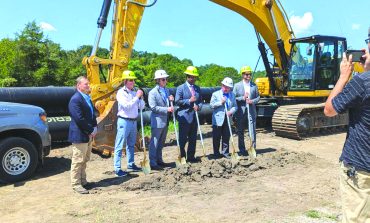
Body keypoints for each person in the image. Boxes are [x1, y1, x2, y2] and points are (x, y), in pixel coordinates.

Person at [324, 30, 370, 223]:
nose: (364, 49)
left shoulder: (361, 83)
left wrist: (344, 76)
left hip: (360, 170)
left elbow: (329, 110)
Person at [68, 76, 97, 194]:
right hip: (80, 135)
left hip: (88, 134)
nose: (88, 86)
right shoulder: (75, 99)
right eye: (86, 84)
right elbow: (79, 119)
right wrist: (91, 129)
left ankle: (83, 181)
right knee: (78, 160)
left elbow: (92, 114)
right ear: (78, 86)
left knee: (85, 159)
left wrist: (95, 126)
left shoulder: (87, 98)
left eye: (88, 84)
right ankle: (76, 184)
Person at [113, 70, 145, 176]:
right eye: (130, 80)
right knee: (119, 145)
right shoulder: (121, 93)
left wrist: (140, 98)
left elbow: (141, 107)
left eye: (133, 80)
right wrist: (136, 97)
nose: (133, 82)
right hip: (124, 121)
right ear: (125, 81)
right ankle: (117, 168)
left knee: (131, 144)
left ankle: (130, 164)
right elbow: (127, 106)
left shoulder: (133, 92)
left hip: (133, 121)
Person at [175, 66, 203, 162]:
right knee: (182, 139)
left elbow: (201, 102)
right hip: (184, 117)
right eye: (191, 77)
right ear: (187, 77)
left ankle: (191, 157)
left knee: (193, 138)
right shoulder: (180, 88)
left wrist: (198, 106)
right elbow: (177, 101)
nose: (193, 79)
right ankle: (182, 157)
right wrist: (189, 101)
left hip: (194, 117)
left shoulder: (197, 88)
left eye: (194, 77)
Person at [148, 70, 174, 170]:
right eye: (163, 79)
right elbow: (153, 107)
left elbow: (167, 103)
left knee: (161, 142)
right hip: (157, 121)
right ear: (158, 80)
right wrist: (167, 109)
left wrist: (171, 100)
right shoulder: (152, 93)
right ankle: (153, 163)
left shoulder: (166, 91)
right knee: (154, 142)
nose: (165, 81)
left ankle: (159, 160)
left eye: (166, 79)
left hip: (165, 120)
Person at [233, 65, 260, 156]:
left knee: (252, 130)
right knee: (240, 131)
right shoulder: (237, 86)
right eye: (247, 74)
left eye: (250, 74)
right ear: (242, 75)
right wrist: (243, 98)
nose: (249, 76)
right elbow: (233, 98)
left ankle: (253, 148)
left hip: (251, 111)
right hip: (241, 112)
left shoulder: (254, 86)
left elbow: (258, 97)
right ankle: (242, 149)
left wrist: (252, 101)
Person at [210, 77, 237, 158]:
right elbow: (211, 105)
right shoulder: (215, 94)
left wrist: (231, 112)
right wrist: (220, 103)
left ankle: (225, 153)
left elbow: (235, 106)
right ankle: (216, 153)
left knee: (226, 136)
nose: (226, 88)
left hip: (228, 118)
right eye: (225, 86)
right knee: (216, 137)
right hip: (218, 120)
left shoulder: (232, 95)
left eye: (228, 87)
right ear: (222, 85)